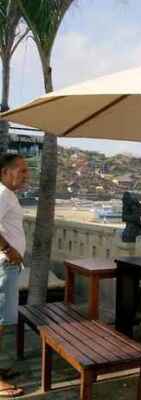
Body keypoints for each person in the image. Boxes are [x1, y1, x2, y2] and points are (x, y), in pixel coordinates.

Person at [0, 154, 28, 397]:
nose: (25, 175)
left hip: (7, 266)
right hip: (3, 265)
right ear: (5, 172)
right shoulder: (1, 193)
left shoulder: (8, 195)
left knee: (2, 321)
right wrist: (8, 250)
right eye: (21, 170)